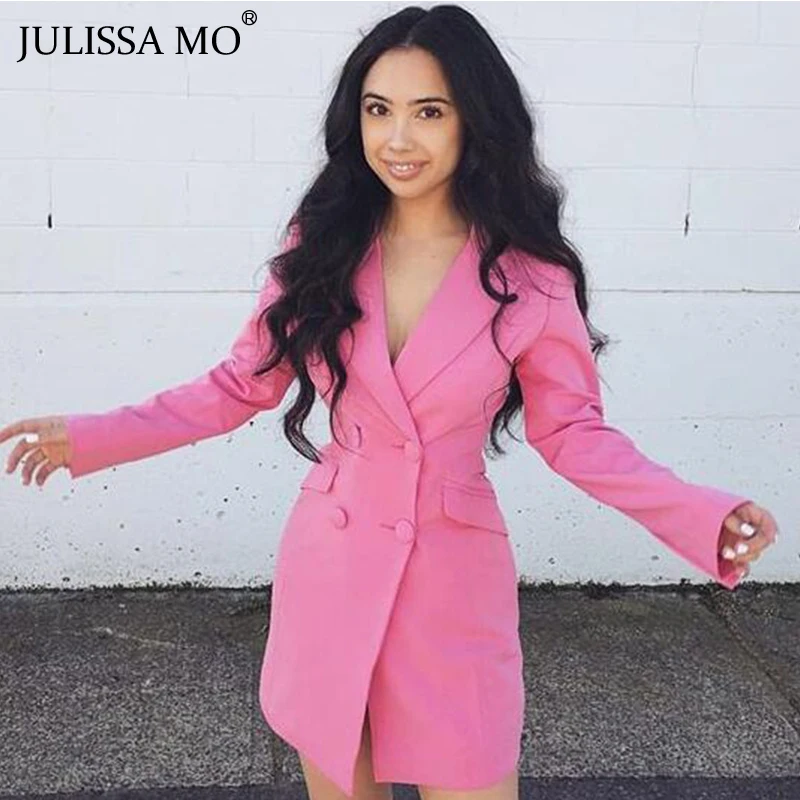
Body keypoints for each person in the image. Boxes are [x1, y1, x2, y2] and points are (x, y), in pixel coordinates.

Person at [0, 5, 779, 800]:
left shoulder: (531, 278)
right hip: (331, 567)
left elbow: (574, 433)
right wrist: (91, 436)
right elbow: (240, 385)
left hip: (452, 583)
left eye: (429, 112)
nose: (398, 138)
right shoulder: (323, 243)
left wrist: (699, 515)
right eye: (379, 110)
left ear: (476, 120)